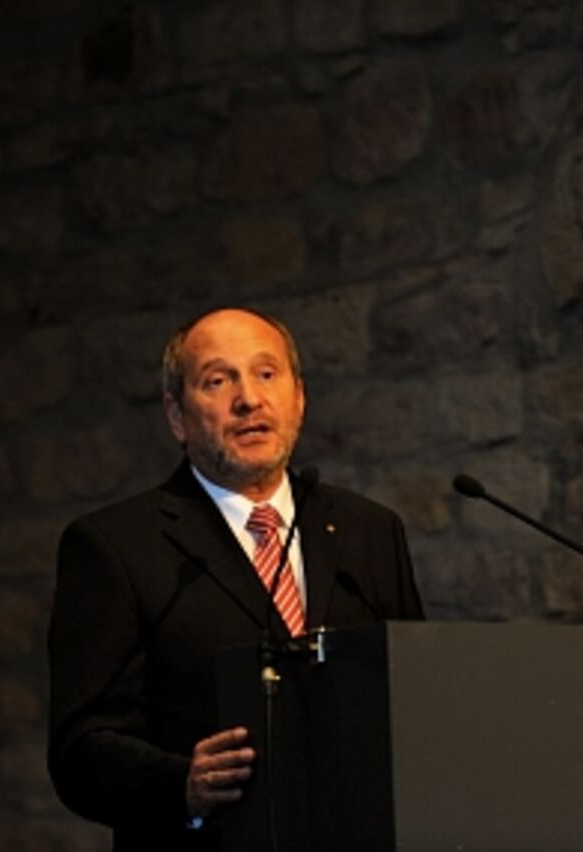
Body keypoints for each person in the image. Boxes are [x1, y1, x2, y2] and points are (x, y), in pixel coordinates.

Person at [47, 307, 424, 851]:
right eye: (218, 381)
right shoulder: (116, 546)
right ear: (177, 416)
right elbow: (79, 750)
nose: (249, 398)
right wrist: (181, 783)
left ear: (299, 397)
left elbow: (410, 699)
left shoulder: (370, 530)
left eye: (266, 374)